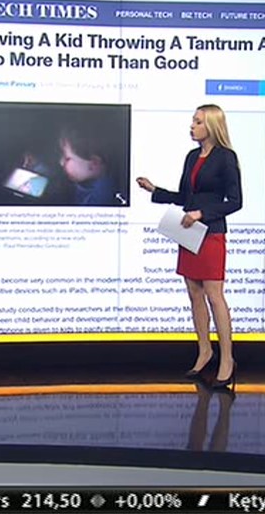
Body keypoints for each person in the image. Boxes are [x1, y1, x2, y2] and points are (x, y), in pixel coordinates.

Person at [137, 104, 242, 389]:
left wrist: (202, 213)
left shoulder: (226, 157)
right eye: (192, 121)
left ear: (212, 126)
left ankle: (227, 360)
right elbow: (186, 196)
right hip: (189, 232)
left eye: (197, 122)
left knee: (214, 296)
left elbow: (235, 201)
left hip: (211, 232)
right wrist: (155, 191)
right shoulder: (192, 157)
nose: (192, 126)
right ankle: (204, 352)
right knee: (194, 293)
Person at [58, 123, 121, 206]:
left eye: (67, 158)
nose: (61, 162)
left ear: (94, 163)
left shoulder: (101, 200)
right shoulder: (88, 182)